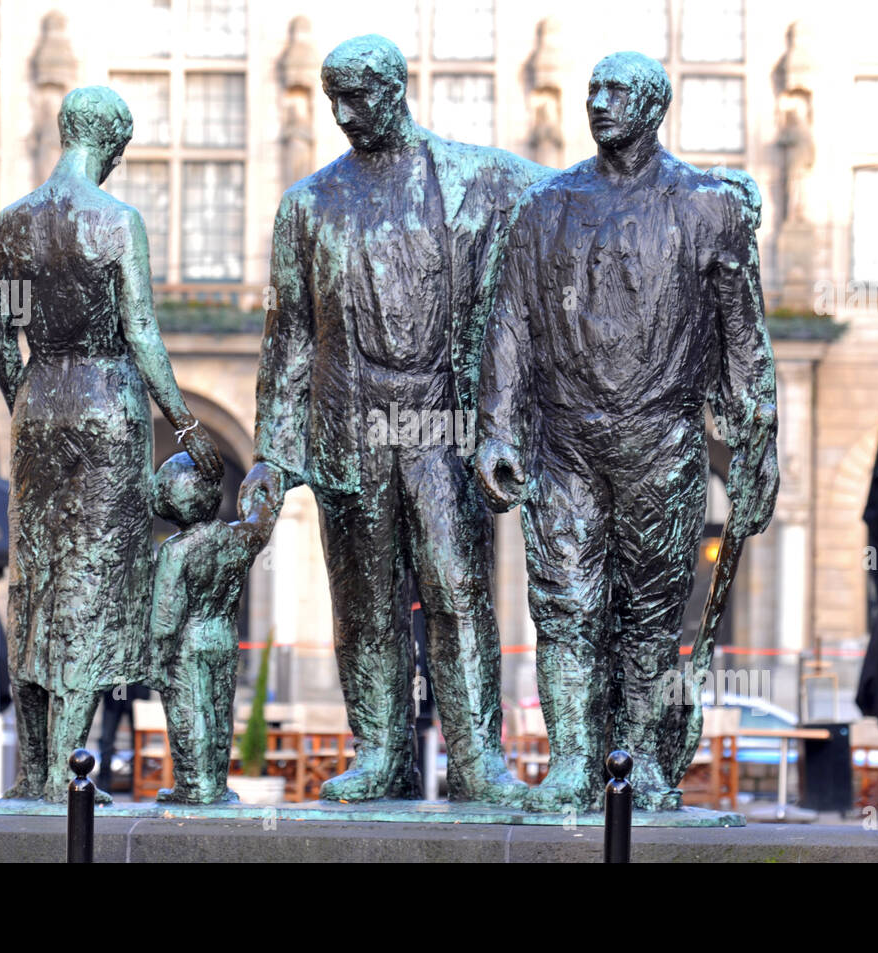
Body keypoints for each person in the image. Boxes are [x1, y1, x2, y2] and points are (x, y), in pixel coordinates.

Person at [239, 35, 550, 804]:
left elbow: (578, 194)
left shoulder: (479, 177)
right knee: (366, 600)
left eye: (359, 97)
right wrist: (273, 455)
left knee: (455, 589)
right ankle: (380, 748)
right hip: (351, 426)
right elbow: (289, 342)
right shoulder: (308, 205)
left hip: (438, 425)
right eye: (332, 99)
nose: (344, 115)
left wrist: (699, 194)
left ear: (397, 90)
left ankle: (477, 756)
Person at [475, 52, 778, 812]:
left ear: (653, 107)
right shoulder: (546, 206)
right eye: (593, 91)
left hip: (662, 440)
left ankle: (641, 758)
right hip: (566, 443)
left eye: (615, 92)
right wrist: (497, 431)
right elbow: (508, 322)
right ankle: (574, 761)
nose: (598, 103)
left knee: (650, 609)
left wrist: (756, 438)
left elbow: (745, 335)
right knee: (565, 604)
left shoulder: (709, 206)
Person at [0, 86, 222, 803]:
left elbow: (0, 341)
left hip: (39, 405)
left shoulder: (12, 223)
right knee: (90, 584)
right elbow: (142, 331)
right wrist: (184, 423)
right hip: (107, 402)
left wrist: (26, 407)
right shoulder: (117, 221)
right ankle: (65, 771)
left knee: (35, 580)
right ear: (115, 145)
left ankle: (31, 771)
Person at [150, 452, 276, 804]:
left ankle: (195, 785)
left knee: (191, 713)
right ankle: (217, 783)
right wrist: (262, 488)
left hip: (189, 641)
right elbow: (260, 524)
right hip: (224, 636)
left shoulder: (176, 551)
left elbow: (165, 617)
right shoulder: (236, 537)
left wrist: (156, 660)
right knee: (221, 711)